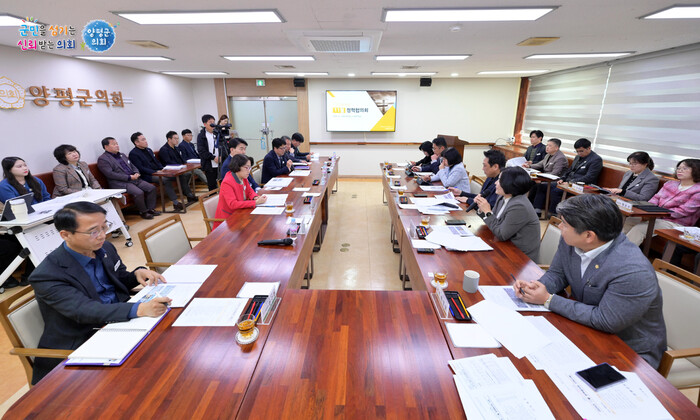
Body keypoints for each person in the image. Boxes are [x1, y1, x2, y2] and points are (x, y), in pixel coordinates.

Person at [514, 194, 666, 368]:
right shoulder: (571, 241)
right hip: (585, 328)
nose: (560, 226)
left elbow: (606, 320)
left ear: (588, 236)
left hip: (628, 352)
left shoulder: (632, 270)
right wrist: (537, 287)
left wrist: (548, 299)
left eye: (565, 224)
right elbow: (558, 273)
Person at [29, 201, 170, 384]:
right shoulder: (48, 274)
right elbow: (85, 310)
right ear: (66, 235)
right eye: (93, 231)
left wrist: (136, 274)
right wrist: (140, 309)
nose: (103, 235)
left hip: (120, 325)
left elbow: (118, 280)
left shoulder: (105, 249)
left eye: (104, 227)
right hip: (83, 341)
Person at [626, 159, 700, 246]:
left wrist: (655, 214)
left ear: (696, 170)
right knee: (628, 221)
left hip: (676, 223)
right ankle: (613, 248)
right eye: (679, 168)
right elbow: (656, 198)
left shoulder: (697, 191)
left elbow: (683, 211)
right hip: (655, 216)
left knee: (639, 229)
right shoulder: (670, 183)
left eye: (685, 168)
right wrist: (647, 212)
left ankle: (622, 253)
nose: (680, 170)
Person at [474, 167, 540, 261]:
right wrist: (481, 209)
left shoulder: (519, 206)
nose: (495, 183)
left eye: (499, 180)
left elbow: (501, 234)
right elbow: (494, 223)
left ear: (510, 184)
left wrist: (488, 212)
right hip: (504, 247)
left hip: (519, 258)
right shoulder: (503, 197)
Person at [129, 132, 196, 211]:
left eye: (145, 139)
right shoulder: (133, 154)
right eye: (143, 140)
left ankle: (189, 195)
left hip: (159, 172)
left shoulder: (148, 150)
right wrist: (155, 172)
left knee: (181, 175)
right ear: (136, 142)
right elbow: (140, 168)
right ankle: (175, 203)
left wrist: (163, 169)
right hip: (148, 175)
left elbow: (157, 162)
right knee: (165, 179)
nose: (146, 141)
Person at [97, 137, 160, 219]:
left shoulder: (122, 155)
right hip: (120, 183)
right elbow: (110, 174)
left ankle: (151, 209)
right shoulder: (103, 159)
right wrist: (128, 177)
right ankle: (143, 212)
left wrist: (136, 173)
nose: (117, 146)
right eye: (114, 144)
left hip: (134, 179)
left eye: (117, 143)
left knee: (151, 188)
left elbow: (132, 166)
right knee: (138, 192)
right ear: (106, 147)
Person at [544, 138, 603, 214]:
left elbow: (589, 177)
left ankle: (554, 213)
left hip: (582, 185)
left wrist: (570, 182)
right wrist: (562, 179)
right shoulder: (578, 157)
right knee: (545, 186)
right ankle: (538, 209)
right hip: (568, 182)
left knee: (556, 191)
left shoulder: (596, 159)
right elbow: (569, 170)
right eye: (577, 151)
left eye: (581, 151)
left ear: (589, 148)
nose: (579, 153)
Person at [213, 155, 267, 230]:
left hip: (241, 213)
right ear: (237, 167)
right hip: (228, 221)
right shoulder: (227, 182)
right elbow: (233, 204)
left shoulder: (243, 177)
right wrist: (255, 202)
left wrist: (255, 197)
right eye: (246, 168)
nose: (249, 171)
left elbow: (250, 191)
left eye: (250, 168)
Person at [528, 138, 569, 211]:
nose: (547, 147)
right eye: (547, 145)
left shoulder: (560, 158)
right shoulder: (548, 155)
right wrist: (529, 166)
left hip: (556, 180)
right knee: (532, 183)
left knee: (541, 185)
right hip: (546, 178)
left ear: (556, 148)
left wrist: (541, 179)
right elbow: (539, 164)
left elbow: (555, 173)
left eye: (550, 146)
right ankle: (529, 206)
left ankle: (537, 210)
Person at [196, 114, 220, 190]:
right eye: (210, 122)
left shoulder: (218, 133)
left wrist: (221, 157)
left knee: (223, 184)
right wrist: (213, 157)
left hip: (220, 162)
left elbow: (224, 147)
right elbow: (201, 150)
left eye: (214, 122)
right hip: (209, 165)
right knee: (212, 186)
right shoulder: (201, 136)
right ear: (205, 124)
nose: (213, 124)